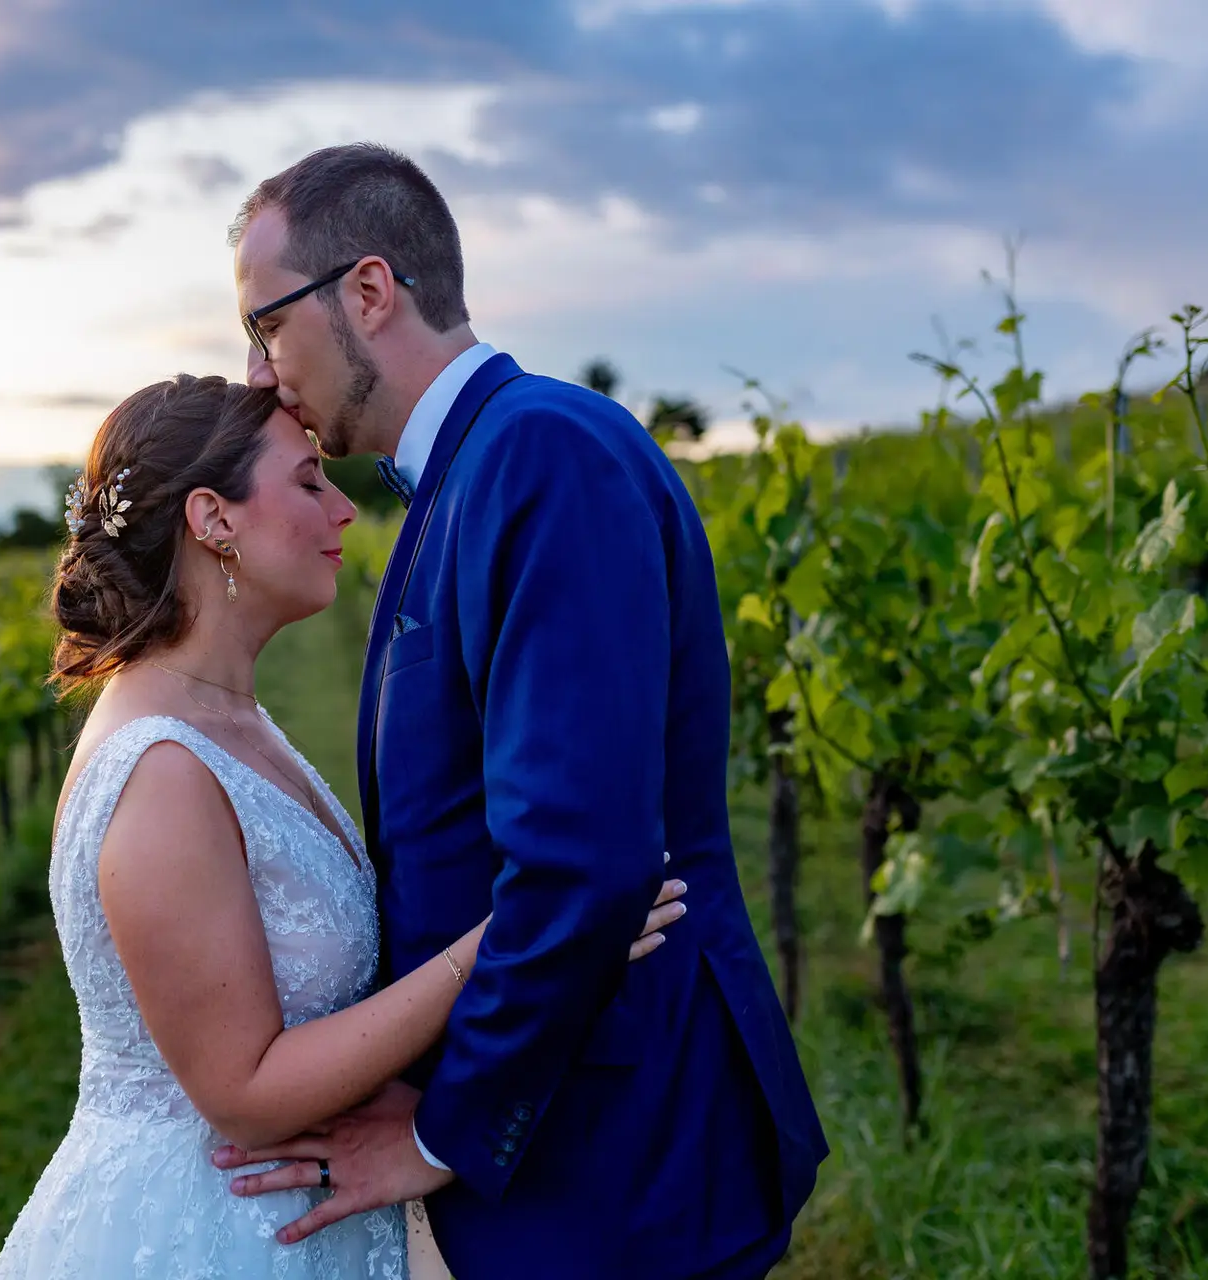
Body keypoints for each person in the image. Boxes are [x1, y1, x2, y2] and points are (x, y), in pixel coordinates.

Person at [209, 143, 829, 1279]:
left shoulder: (541, 454)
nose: (258, 372)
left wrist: (447, 1129)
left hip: (620, 1161)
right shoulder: (466, 474)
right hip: (570, 1145)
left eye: (266, 325)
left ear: (368, 290)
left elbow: (584, 860)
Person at [0, 373, 685, 1279]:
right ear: (214, 518)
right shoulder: (161, 770)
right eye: (308, 481)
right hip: (206, 1231)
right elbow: (243, 1094)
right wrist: (517, 935)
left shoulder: (229, 721)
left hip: (290, 1216)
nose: (343, 510)